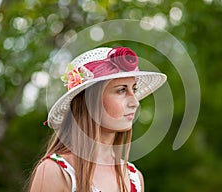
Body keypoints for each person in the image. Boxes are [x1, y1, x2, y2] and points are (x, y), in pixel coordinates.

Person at [29, 47, 167, 192]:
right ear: (90, 102)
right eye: (121, 90)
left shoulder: (134, 177)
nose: (135, 102)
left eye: (134, 89)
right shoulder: (56, 172)